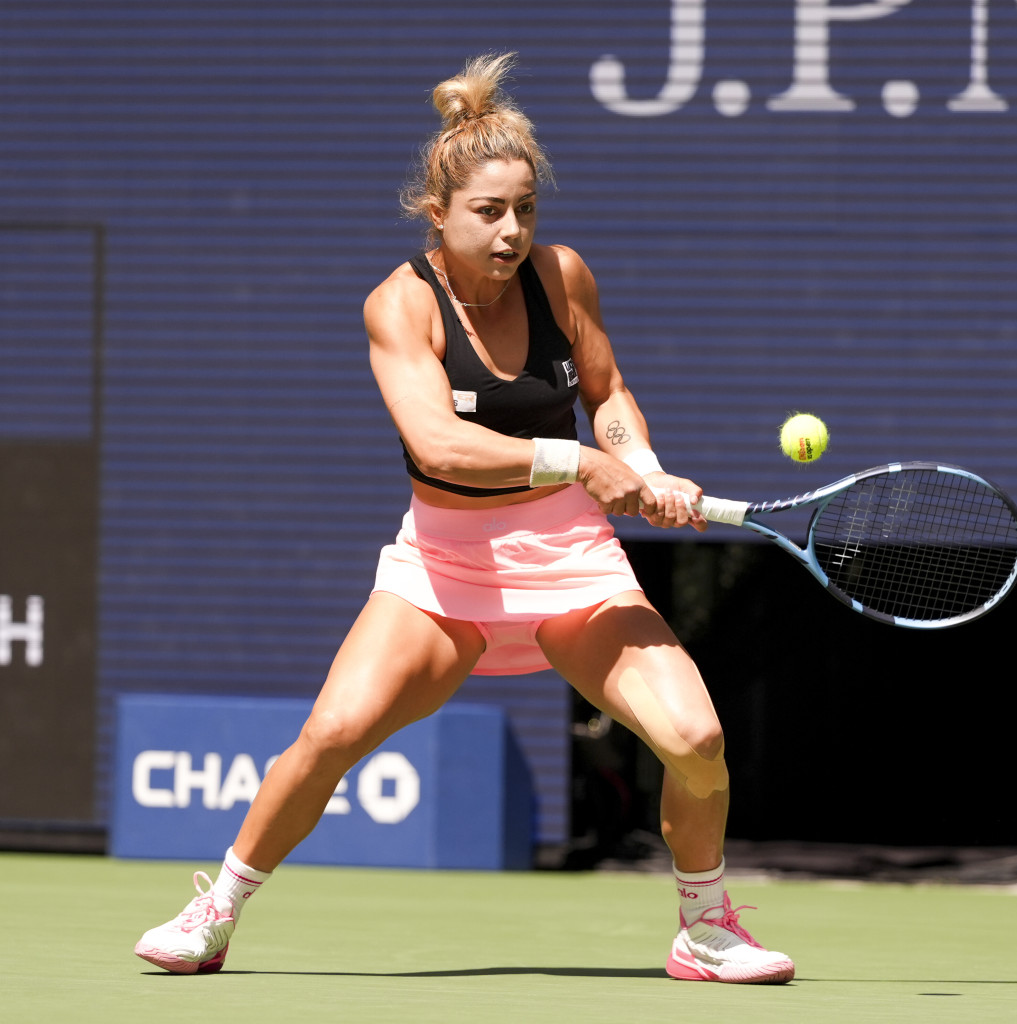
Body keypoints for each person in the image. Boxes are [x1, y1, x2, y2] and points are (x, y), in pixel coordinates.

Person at [134, 53, 794, 985]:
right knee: (331, 734)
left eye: (525, 208)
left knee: (697, 741)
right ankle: (216, 911)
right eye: (489, 211)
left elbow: (606, 391)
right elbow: (439, 445)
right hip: (443, 571)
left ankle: (705, 927)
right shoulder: (401, 305)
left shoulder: (563, 277)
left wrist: (642, 465)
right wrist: (583, 462)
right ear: (437, 212)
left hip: (572, 561)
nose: (512, 230)